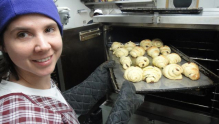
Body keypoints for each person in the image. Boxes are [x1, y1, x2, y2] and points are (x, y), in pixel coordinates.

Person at [0, 0, 144, 123]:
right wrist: (120, 116)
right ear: (3, 45)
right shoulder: (19, 117)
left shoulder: (26, 77)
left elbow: (51, 106)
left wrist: (90, 88)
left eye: (49, 29)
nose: (43, 46)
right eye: (23, 34)